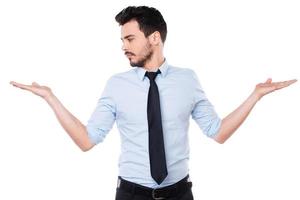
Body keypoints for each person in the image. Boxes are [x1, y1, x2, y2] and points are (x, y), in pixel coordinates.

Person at [10, 6, 296, 200]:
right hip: (131, 194)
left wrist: (255, 96)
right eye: (122, 40)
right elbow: (87, 140)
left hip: (179, 194)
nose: (124, 46)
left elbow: (217, 132)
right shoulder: (117, 84)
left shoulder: (187, 79)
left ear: (155, 38)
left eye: (130, 38)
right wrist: (51, 98)